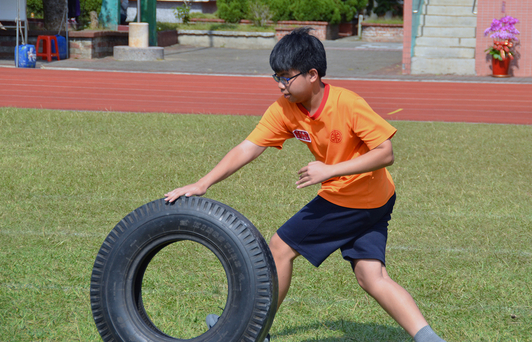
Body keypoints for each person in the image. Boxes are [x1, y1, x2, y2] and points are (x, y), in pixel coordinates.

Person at [164, 27, 446, 342]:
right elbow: (249, 147)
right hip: (378, 198)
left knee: (280, 249)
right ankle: (429, 338)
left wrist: (330, 171)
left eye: (287, 76)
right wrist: (203, 183)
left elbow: (386, 153)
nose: (281, 84)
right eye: (277, 77)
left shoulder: (348, 103)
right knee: (371, 275)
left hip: (350, 199)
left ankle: (252, 331)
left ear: (312, 75)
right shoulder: (285, 109)